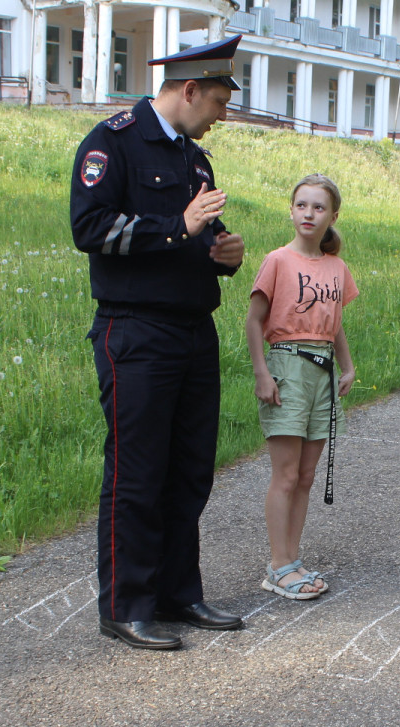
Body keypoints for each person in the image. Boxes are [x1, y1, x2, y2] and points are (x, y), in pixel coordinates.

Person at [70, 35, 246, 650]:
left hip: (193, 330)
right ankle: (126, 604)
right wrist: (180, 227)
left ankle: (177, 593)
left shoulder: (195, 160)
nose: (222, 115)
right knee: (138, 474)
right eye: (218, 101)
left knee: (190, 471)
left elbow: (200, 236)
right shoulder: (112, 142)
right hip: (136, 331)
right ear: (189, 89)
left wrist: (224, 254)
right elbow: (90, 228)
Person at [245, 175, 357, 600]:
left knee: (307, 475)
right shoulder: (277, 260)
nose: (309, 213)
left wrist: (346, 366)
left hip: (323, 373)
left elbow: (336, 323)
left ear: (332, 215)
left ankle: (292, 559)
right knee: (286, 474)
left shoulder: (336, 268)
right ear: (291, 211)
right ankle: (278, 566)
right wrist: (262, 373)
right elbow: (255, 320)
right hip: (287, 366)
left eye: (318, 207)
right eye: (302, 205)